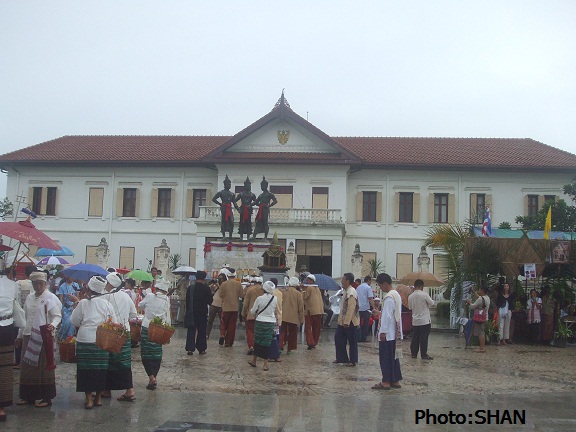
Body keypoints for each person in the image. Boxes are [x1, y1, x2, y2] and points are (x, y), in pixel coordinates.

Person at [70, 276, 118, 409]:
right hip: (101, 341)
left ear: (90, 289)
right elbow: (113, 323)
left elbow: (74, 321)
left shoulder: (83, 303)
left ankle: (89, 399)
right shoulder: (107, 304)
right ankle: (98, 398)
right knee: (100, 369)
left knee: (86, 370)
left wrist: (76, 305)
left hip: (85, 339)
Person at [16, 271, 62, 408]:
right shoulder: (29, 298)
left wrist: (52, 326)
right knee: (27, 367)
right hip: (28, 334)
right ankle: (28, 396)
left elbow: (57, 316)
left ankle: (46, 398)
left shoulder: (51, 298)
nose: (38, 286)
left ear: (45, 284)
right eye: (35, 284)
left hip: (43, 337)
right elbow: (24, 318)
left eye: (41, 284)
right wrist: (19, 336)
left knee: (44, 367)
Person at [102, 272, 137, 402]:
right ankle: (123, 389)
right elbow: (133, 314)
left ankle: (112, 389)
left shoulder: (105, 297)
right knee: (124, 362)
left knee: (110, 361)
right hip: (125, 332)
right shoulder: (126, 296)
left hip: (111, 333)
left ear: (110, 284)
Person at [139, 278, 171, 390]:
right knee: (156, 354)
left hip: (147, 327)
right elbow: (168, 317)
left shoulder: (149, 296)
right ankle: (154, 378)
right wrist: (168, 334)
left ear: (156, 288)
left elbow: (140, 306)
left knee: (145, 353)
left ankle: (151, 377)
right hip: (159, 329)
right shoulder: (167, 299)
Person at [372, 273, 403, 390]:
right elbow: (389, 314)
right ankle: (395, 379)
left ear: (385, 284)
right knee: (393, 358)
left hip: (388, 333)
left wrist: (383, 331)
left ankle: (386, 381)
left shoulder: (389, 297)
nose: (381, 288)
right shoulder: (396, 295)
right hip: (395, 332)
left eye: (380, 286)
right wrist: (380, 314)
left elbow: (387, 316)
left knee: (385, 357)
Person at [0, 259, 19, 421]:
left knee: (4, 368)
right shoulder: (12, 285)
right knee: (4, 368)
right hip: (7, 327)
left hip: (5, 327)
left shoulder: (12, 285)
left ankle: (1, 406)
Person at [248, 281, 279, 371]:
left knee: (257, 341)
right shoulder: (275, 299)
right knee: (267, 343)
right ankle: (265, 364)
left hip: (260, 321)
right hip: (270, 323)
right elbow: (275, 310)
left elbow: (253, 311)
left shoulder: (259, 298)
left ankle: (254, 360)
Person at [334, 273, 359, 367]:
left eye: (343, 279)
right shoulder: (346, 291)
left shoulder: (351, 292)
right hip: (342, 321)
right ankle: (342, 358)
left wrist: (347, 322)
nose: (342, 281)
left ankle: (353, 360)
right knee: (339, 338)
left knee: (352, 341)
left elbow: (351, 309)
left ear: (348, 281)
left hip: (350, 322)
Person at [184, 271, 213, 355]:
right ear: (204, 278)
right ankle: (202, 348)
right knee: (202, 331)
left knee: (191, 330)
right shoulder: (206, 288)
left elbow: (187, 300)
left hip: (192, 312)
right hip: (203, 312)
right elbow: (210, 301)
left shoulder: (191, 288)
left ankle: (190, 348)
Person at [407, 279, 434, 360]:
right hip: (425, 320)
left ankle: (414, 353)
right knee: (424, 338)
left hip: (415, 321)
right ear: (422, 286)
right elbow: (432, 303)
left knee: (415, 338)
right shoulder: (424, 295)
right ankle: (424, 354)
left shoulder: (410, 296)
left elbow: (410, 307)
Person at [218, 269, 244, 347]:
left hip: (225, 306)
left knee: (223, 322)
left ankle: (222, 334)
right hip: (235, 308)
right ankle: (228, 342)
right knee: (232, 326)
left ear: (227, 275)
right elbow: (241, 295)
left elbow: (220, 295)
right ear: (235, 275)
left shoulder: (224, 284)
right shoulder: (238, 284)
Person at [280, 277, 304, 354]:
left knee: (282, 332)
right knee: (292, 334)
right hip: (293, 317)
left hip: (283, 316)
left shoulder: (283, 291)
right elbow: (301, 308)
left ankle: (280, 346)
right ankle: (289, 349)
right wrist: (301, 319)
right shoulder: (298, 294)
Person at [242, 276, 264, 355]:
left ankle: (251, 346)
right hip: (261, 315)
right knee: (260, 333)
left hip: (251, 315)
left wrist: (243, 313)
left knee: (250, 331)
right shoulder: (264, 290)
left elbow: (245, 304)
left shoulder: (250, 290)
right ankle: (259, 348)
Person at [251, 176, 278, 240]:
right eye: (261, 186)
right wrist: (251, 204)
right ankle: (254, 235)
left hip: (265, 209)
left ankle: (265, 236)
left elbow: (275, 201)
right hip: (261, 209)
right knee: (258, 222)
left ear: (265, 186)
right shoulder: (261, 195)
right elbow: (256, 202)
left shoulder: (269, 194)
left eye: (262, 186)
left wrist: (269, 205)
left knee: (265, 222)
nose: (261, 187)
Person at [302, 274, 324, 350]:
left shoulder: (308, 288)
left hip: (310, 311)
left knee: (308, 328)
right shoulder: (317, 288)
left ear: (311, 281)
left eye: (308, 280)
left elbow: (304, 297)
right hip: (318, 311)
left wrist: (302, 290)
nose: (307, 281)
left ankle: (310, 342)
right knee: (316, 329)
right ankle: (314, 342)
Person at [212, 174, 236, 240]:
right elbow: (213, 199)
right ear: (225, 185)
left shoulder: (232, 194)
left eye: (230, 184)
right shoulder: (221, 193)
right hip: (224, 208)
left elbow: (234, 202)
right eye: (228, 184)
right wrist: (220, 204)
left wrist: (238, 209)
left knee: (231, 221)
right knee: (223, 221)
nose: (229, 185)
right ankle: (224, 235)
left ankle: (230, 235)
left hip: (229, 208)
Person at [468, 284, 490, 353]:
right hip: (485, 317)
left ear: (482, 290)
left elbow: (472, 306)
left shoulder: (481, 299)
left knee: (481, 333)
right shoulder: (487, 298)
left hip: (480, 317)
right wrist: (474, 292)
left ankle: (482, 348)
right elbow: (480, 298)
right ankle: (482, 347)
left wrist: (470, 303)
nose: (478, 291)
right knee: (482, 331)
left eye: (479, 289)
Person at [56, 276, 79, 341]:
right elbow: (61, 299)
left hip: (74, 307)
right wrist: (61, 309)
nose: (72, 278)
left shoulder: (76, 285)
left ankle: (70, 338)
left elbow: (78, 296)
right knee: (65, 323)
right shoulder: (62, 287)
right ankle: (62, 337)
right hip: (66, 308)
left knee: (72, 323)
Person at [356, 275, 375, 342]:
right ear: (369, 280)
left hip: (359, 308)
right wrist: (374, 307)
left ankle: (359, 337)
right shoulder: (368, 288)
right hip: (366, 308)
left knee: (359, 323)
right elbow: (370, 298)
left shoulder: (358, 287)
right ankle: (364, 337)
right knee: (366, 323)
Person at [268, 277, 282, 362]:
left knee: (271, 337)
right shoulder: (280, 293)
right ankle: (276, 353)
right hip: (279, 316)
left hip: (272, 316)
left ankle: (273, 354)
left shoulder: (270, 293)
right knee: (277, 336)